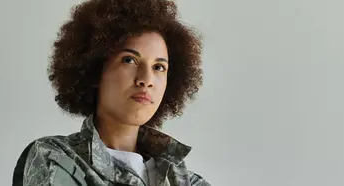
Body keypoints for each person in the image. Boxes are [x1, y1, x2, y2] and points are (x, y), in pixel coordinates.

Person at [12, 0, 209, 185]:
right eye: (129, 60)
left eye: (159, 67)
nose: (146, 80)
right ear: (96, 69)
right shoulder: (55, 158)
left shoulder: (189, 181)